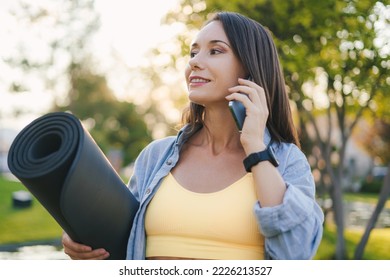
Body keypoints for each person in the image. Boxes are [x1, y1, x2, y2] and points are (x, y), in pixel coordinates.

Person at [62, 11, 324, 260]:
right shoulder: (155, 157)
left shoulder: (287, 161)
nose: (195, 62)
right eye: (193, 52)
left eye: (216, 51)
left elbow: (296, 253)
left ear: (250, 69)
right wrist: (84, 240)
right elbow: (121, 242)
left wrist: (255, 147)